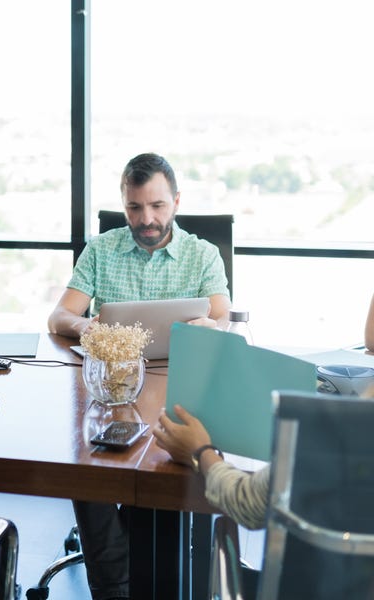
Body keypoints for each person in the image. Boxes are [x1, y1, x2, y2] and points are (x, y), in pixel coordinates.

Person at [47, 152, 232, 600]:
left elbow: (223, 320)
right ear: (124, 203)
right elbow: (58, 317)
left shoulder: (202, 254)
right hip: (110, 389)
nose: (146, 219)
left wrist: (207, 326)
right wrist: (85, 325)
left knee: (162, 462)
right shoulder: (102, 249)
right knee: (85, 467)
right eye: (134, 208)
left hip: (177, 388)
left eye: (157, 206)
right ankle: (117, 587)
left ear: (176, 202)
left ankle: (141, 574)